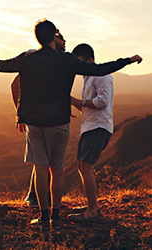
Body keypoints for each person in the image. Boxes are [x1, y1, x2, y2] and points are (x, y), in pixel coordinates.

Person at [0, 19, 142, 231]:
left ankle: (44, 218)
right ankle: (56, 217)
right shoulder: (66, 60)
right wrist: (128, 60)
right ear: (54, 37)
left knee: (40, 169)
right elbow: (101, 69)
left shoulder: (28, 59)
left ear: (38, 37)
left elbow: (0, 65)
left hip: (36, 123)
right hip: (60, 122)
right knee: (58, 170)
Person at [10, 29, 66, 208]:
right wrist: (20, 112)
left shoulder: (56, 61)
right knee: (41, 161)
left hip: (50, 116)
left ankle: (38, 199)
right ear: (53, 39)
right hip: (37, 117)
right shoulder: (35, 58)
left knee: (44, 160)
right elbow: (15, 83)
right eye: (61, 39)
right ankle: (34, 197)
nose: (65, 42)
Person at [68, 43, 117, 222]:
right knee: (82, 166)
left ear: (89, 60)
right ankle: (92, 205)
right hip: (90, 126)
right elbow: (89, 106)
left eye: (79, 62)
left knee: (85, 167)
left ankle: (91, 213)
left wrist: (76, 101)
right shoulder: (88, 77)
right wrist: (74, 103)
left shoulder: (101, 74)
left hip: (98, 127)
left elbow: (102, 102)